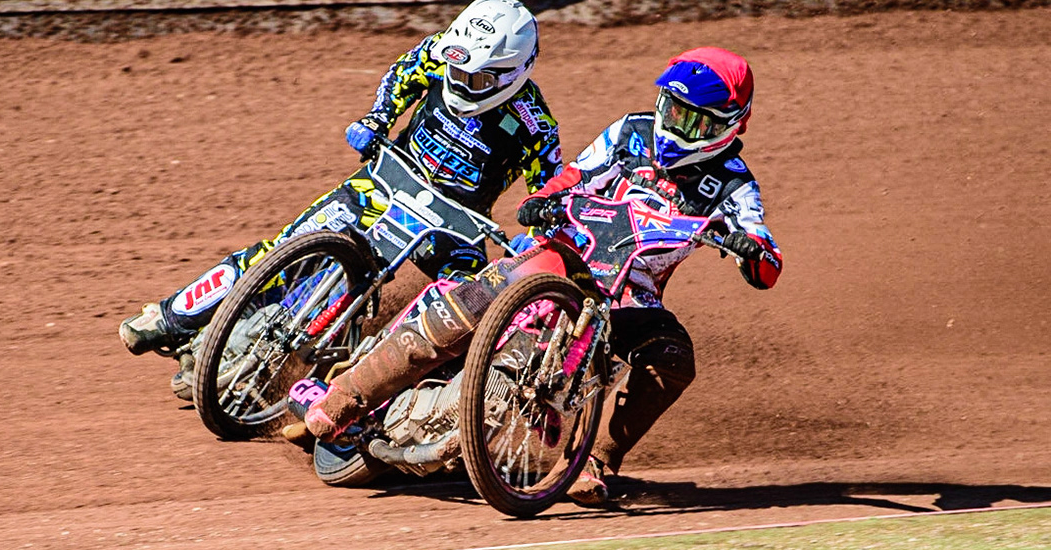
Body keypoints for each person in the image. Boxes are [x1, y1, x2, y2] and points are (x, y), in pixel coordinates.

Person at [294, 46, 783, 506]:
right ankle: (341, 399)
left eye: (692, 119)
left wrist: (750, 250)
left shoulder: (736, 186)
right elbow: (576, 172)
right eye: (671, 108)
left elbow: (767, 261)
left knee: (674, 358)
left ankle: (594, 461)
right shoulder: (631, 130)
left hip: (630, 295)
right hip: (563, 253)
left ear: (729, 124)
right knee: (469, 302)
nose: (674, 124)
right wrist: (542, 199)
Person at [118, 0, 563, 399]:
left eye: (476, 77)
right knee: (285, 248)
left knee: (461, 314)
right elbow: (402, 75)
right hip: (384, 181)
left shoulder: (535, 124)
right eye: (457, 70)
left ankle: (372, 400)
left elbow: (548, 193)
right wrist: (377, 119)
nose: (461, 82)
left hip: (455, 227)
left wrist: (532, 237)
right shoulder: (441, 51)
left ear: (513, 72)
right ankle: (170, 317)